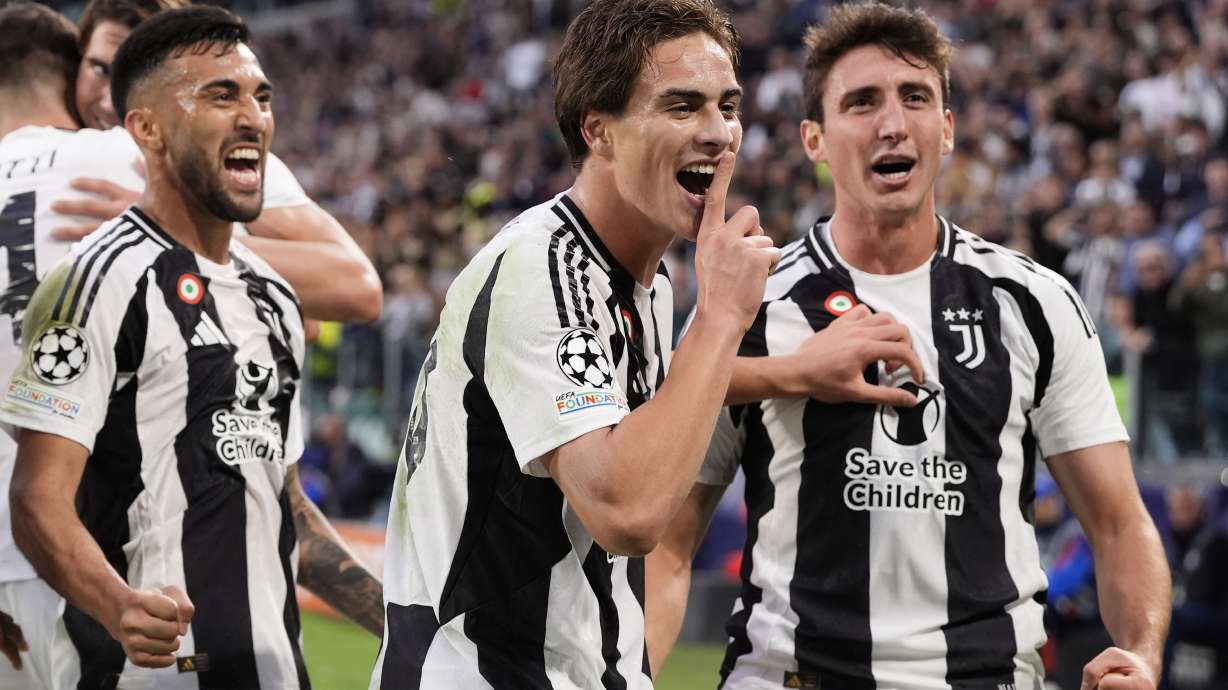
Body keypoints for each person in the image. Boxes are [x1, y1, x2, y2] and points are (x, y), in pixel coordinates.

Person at [646, 4, 1171, 690]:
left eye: (915, 98)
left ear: (946, 129)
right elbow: (669, 545)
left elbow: (1119, 523)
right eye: (862, 102)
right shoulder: (746, 307)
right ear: (816, 140)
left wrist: (1143, 651)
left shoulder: (1034, 303)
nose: (892, 123)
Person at [369, 0, 783, 685]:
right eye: (682, 107)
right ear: (599, 130)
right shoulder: (544, 267)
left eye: (727, 106)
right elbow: (627, 511)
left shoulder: (645, 283)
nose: (719, 134)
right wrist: (720, 319)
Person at [0, 7, 382, 688]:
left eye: (261, 97)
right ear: (143, 129)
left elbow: (277, 497)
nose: (253, 116)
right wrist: (120, 609)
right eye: (220, 95)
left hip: (271, 668)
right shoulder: (86, 281)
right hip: (149, 664)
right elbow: (36, 499)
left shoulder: (271, 295)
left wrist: (401, 620)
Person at [55, 0, 383, 324]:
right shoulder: (39, 157)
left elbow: (356, 290)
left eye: (139, 82)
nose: (112, 101)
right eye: (100, 70)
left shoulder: (224, 159)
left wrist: (180, 235)